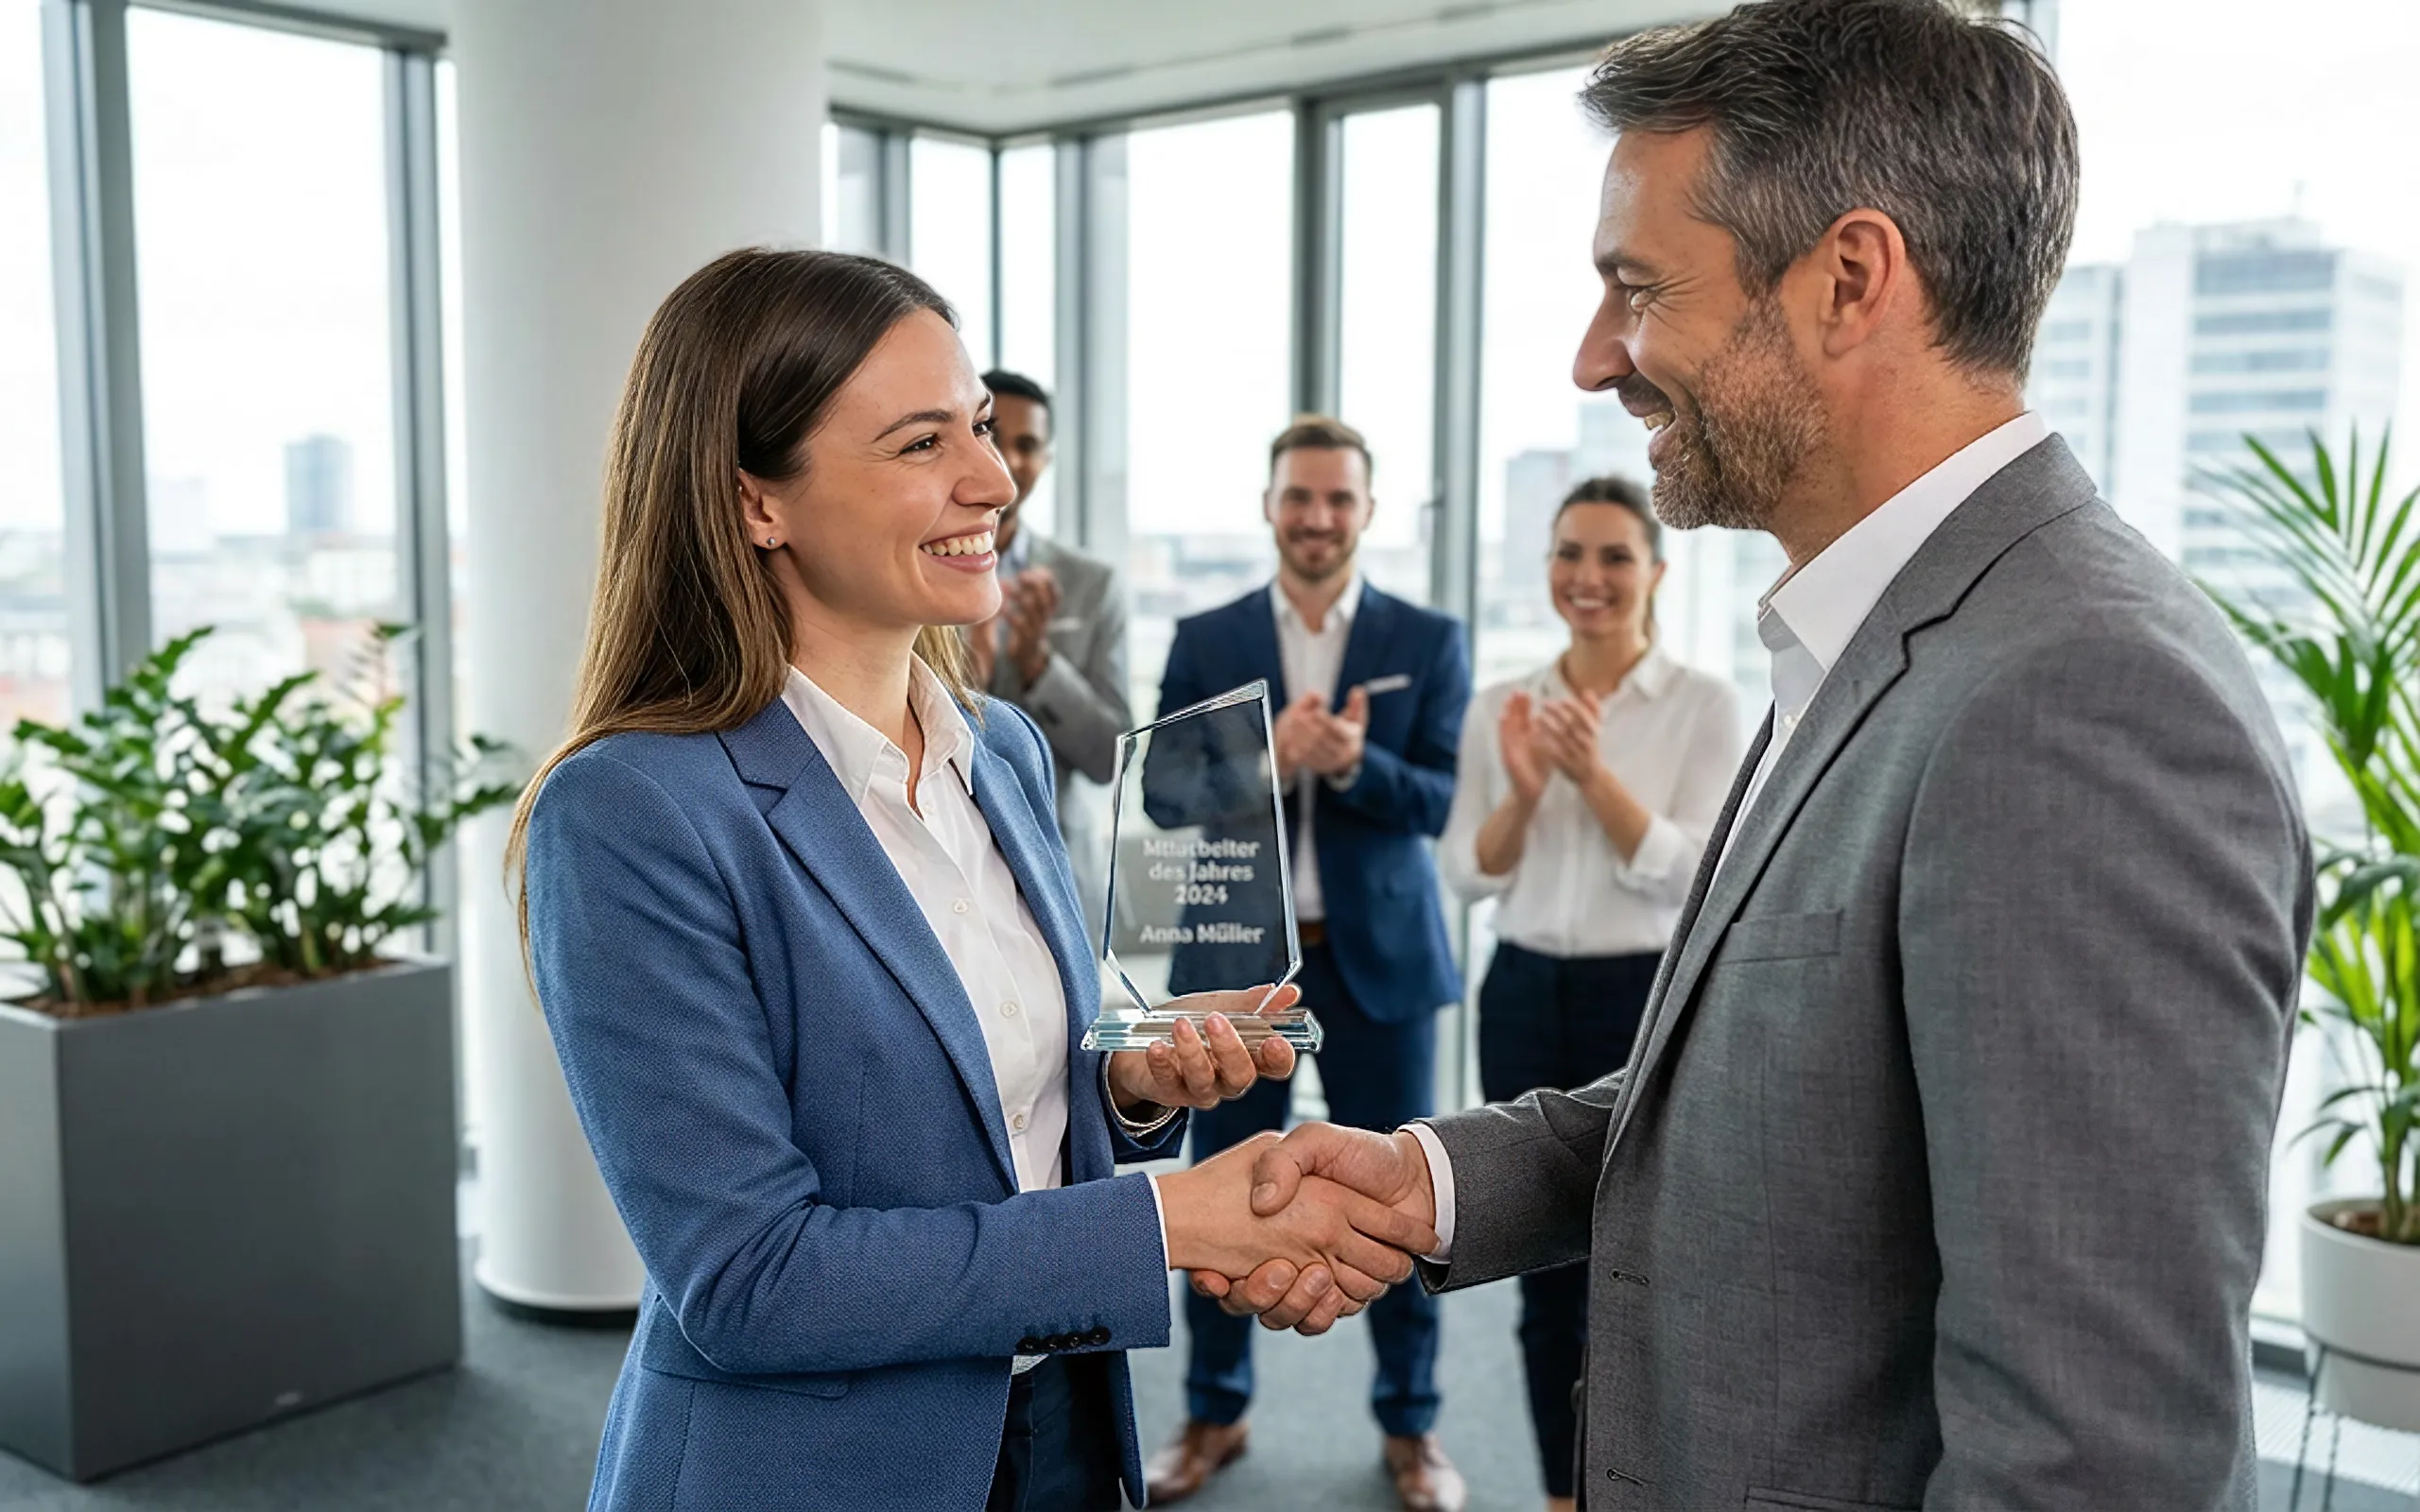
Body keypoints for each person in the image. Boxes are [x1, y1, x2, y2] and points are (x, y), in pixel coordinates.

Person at [1206, 3, 2313, 1507]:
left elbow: (2094, 1463)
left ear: (1849, 279)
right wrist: (1433, 1183)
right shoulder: (1871, 636)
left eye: (1639, 288)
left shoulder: (2083, 703)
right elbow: (1773, 1111)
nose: (1596, 359)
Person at [511, 249, 1438, 1512]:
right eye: (920, 443)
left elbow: (989, 1116)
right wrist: (1173, 1220)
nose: (995, 481)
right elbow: (749, 1280)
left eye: (984, 429)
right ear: (755, 503)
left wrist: (1129, 1080)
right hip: (818, 1474)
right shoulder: (633, 811)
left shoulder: (998, 750)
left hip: (1059, 1429)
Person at [1145, 416, 1472, 1512]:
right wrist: (1266, 759)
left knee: (1412, 1199)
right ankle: (1213, 1412)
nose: (1318, 517)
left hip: (1381, 964)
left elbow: (1436, 799)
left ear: (1367, 510)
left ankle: (1411, 1427)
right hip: (1241, 967)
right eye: (1300, 496)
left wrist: (1355, 762)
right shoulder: (1206, 637)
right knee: (1220, 1191)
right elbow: (1160, 795)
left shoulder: (1428, 638)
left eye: (1338, 498)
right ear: (1269, 505)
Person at [1436, 472, 1743, 1512]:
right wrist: (1527, 793)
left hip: (1642, 998)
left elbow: (1698, 878)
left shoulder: (1704, 705)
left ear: (1656, 571)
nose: (1589, 576)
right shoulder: (1501, 706)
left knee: (1638, 1266)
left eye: (1615, 556)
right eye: (1570, 553)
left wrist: (1593, 778)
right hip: (1523, 991)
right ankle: (1560, 1496)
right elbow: (1468, 873)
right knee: (1538, 1271)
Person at [970, 369, 1131, 929]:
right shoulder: (915, 573)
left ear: (1047, 460)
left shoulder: (1090, 585)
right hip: (948, 872)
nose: (1009, 459)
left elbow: (1112, 756)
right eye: (991, 435)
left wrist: (1039, 665)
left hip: (1059, 871)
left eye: (1028, 445)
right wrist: (970, 669)